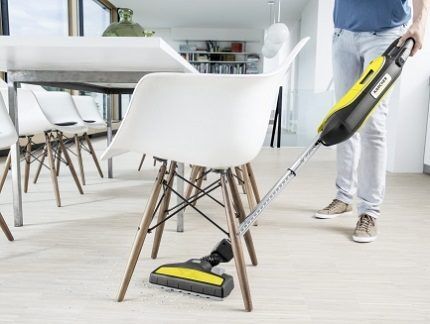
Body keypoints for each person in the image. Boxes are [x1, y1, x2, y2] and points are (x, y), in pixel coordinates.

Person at [315, 0, 429, 243]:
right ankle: (344, 197)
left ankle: (369, 211)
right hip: (343, 33)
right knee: (344, 121)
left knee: (373, 124)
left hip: (385, 36)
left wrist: (419, 22)